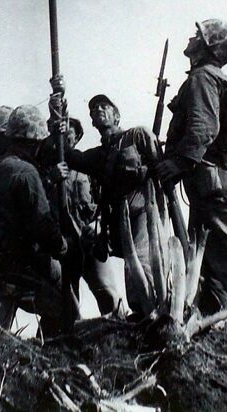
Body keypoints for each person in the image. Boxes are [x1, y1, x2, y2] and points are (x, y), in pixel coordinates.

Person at [156, 19, 227, 315]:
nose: (192, 38)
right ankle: (216, 313)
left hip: (211, 179)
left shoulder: (203, 77)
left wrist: (179, 162)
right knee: (208, 255)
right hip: (216, 179)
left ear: (210, 44)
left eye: (198, 35)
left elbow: (204, 128)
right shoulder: (215, 78)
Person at [0, 104, 75, 334]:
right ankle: (50, 352)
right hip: (22, 261)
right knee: (65, 308)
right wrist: (63, 246)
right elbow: (42, 223)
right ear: (34, 142)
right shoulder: (26, 172)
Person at [66, 94, 158, 316]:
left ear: (116, 115)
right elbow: (71, 157)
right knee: (130, 263)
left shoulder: (138, 135)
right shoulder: (99, 155)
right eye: (93, 109)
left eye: (103, 106)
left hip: (144, 210)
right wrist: (58, 125)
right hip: (119, 219)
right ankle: (140, 315)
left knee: (142, 261)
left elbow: (159, 169)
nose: (98, 109)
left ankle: (152, 311)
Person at [47, 118, 121, 316]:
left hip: (90, 239)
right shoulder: (44, 168)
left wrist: (98, 225)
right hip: (62, 243)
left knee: (107, 292)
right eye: (60, 134)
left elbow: (105, 201)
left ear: (78, 137)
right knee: (66, 297)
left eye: (69, 133)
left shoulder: (88, 165)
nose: (64, 138)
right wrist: (50, 178)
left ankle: (118, 330)